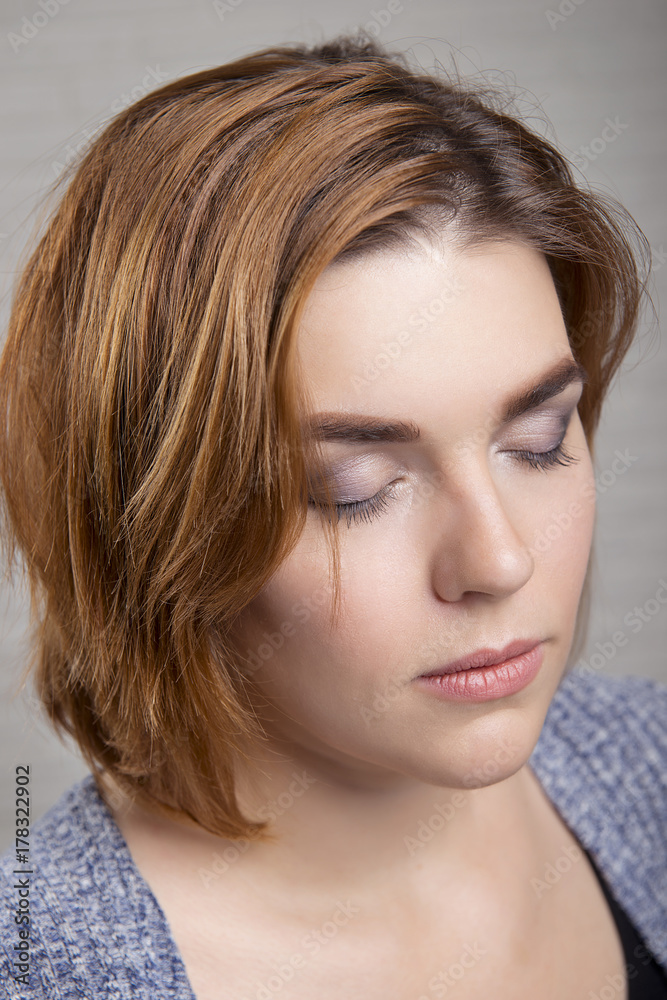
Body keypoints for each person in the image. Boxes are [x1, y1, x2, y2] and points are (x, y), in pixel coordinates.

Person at [0, 33, 665, 1000]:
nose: (500, 558)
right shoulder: (52, 968)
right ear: (149, 524)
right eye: (357, 488)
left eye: (539, 439)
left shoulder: (648, 766)